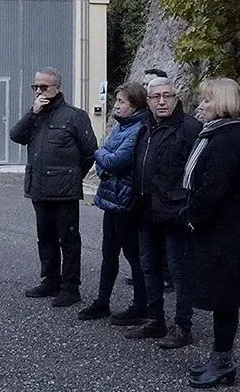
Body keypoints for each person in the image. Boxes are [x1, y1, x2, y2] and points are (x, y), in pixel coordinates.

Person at [181, 78, 240, 388]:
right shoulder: (220, 134)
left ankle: (223, 362)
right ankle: (220, 359)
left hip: (221, 233)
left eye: (208, 100)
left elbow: (212, 189)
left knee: (224, 299)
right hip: (218, 230)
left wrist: (192, 218)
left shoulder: (226, 139)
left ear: (222, 102)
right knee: (221, 297)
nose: (201, 105)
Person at [10, 67, 98, 307]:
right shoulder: (35, 115)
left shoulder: (74, 116)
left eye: (44, 87)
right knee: (45, 237)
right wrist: (32, 112)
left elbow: (89, 152)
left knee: (68, 239)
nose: (39, 91)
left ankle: (71, 287)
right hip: (38, 186)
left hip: (64, 190)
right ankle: (50, 280)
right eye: (36, 87)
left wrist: (70, 174)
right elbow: (15, 135)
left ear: (57, 88)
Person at [126, 76, 201, 349]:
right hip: (146, 210)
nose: (162, 101)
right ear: (148, 101)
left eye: (167, 96)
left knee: (179, 272)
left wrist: (187, 207)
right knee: (149, 268)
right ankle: (155, 319)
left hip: (175, 213)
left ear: (176, 98)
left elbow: (199, 173)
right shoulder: (145, 126)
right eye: (156, 96)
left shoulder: (190, 128)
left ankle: (183, 325)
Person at [79, 82, 149, 325]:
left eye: (121, 102)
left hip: (126, 201)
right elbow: (105, 159)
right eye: (116, 101)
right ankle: (102, 301)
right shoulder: (122, 127)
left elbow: (115, 159)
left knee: (134, 256)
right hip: (111, 199)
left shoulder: (139, 129)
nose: (116, 106)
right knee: (109, 253)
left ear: (135, 105)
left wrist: (102, 157)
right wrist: (104, 159)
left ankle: (141, 306)